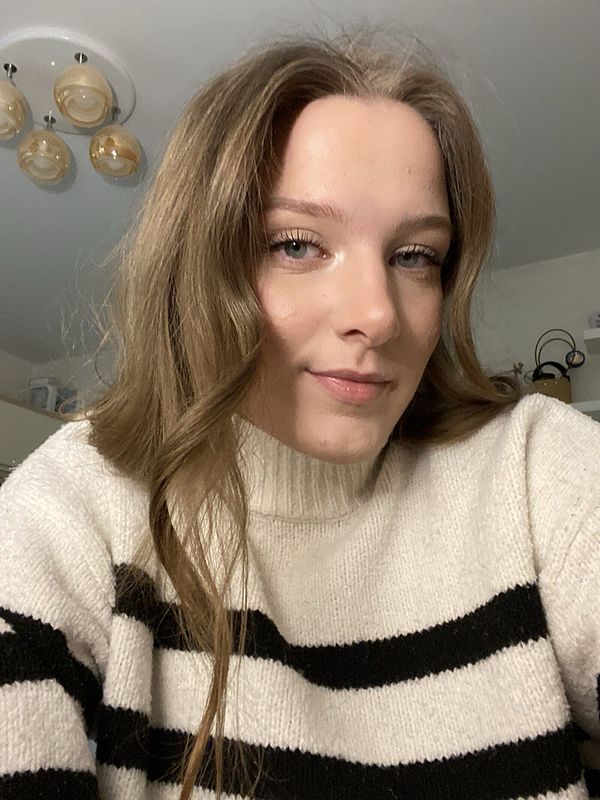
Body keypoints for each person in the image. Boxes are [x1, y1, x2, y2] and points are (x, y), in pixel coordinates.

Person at [1, 28, 599, 800]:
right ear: (199, 262)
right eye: (296, 245)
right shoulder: (80, 501)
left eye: (415, 256)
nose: (378, 315)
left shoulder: (530, 469)